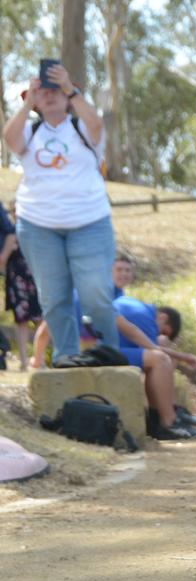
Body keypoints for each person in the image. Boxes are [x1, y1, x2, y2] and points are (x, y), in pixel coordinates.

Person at [1, 62, 118, 363]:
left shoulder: (82, 127)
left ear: (68, 97)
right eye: (43, 92)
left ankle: (109, 355)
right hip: (38, 225)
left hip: (89, 221)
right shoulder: (30, 130)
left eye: (56, 91)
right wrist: (29, 101)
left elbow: (98, 125)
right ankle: (66, 358)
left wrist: (71, 88)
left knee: (96, 292)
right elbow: (10, 139)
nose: (49, 96)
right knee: (53, 297)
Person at [111, 295, 196, 441]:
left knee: (162, 357)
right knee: (161, 360)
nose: (161, 335)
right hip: (106, 351)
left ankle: (158, 416)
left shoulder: (138, 306)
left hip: (112, 348)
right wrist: (183, 356)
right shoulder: (146, 317)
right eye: (164, 331)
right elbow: (154, 348)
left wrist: (182, 356)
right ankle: (169, 422)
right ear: (162, 317)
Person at [1, 201, 42, 372]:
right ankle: (24, 360)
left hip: (35, 277)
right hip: (16, 278)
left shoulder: (38, 231)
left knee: (41, 319)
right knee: (21, 320)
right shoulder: (11, 233)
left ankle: (39, 359)